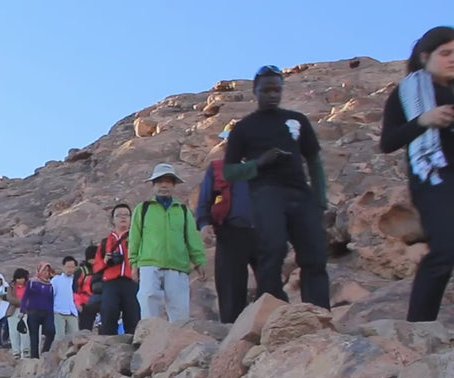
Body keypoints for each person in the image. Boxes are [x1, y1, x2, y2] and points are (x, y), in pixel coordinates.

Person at [223, 64, 331, 309]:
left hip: (300, 193)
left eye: (276, 90)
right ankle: (270, 311)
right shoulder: (243, 128)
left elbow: (314, 160)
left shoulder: (297, 120)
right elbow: (229, 171)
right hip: (265, 193)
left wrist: (320, 199)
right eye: (266, 90)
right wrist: (259, 163)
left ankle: (319, 313)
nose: (272, 95)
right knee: (272, 250)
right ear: (255, 91)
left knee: (314, 255)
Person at [380, 26, 454, 322]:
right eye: (445, 53)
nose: (452, 60)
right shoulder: (407, 92)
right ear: (426, 57)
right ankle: (419, 325)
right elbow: (388, 142)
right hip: (433, 179)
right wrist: (424, 120)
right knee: (446, 249)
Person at [197, 122, 260, 323]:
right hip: (231, 232)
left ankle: (272, 326)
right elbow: (204, 200)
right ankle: (232, 331)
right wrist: (204, 224)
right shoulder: (217, 169)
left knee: (270, 281)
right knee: (231, 286)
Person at [129, 164, 206, 322]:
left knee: (179, 311)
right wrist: (133, 263)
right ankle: (148, 341)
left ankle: (176, 345)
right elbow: (135, 237)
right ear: (153, 185)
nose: (164, 185)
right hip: (149, 264)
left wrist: (199, 261)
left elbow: (192, 237)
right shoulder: (142, 209)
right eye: (159, 181)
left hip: (177, 266)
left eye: (168, 181)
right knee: (149, 305)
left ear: (174, 185)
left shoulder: (183, 211)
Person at [94, 204, 141, 334]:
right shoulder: (105, 242)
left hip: (131, 280)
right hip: (111, 282)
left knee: (133, 316)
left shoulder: (136, 239)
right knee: (109, 313)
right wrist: (105, 262)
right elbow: (96, 266)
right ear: (113, 220)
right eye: (119, 215)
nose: (123, 218)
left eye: (126, 215)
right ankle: (107, 344)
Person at [19, 262, 56, 359]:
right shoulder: (32, 282)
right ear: (39, 271)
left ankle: (45, 352)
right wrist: (22, 310)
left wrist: (52, 314)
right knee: (34, 336)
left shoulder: (50, 285)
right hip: (33, 312)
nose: (46, 273)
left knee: (51, 331)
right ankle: (34, 358)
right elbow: (25, 297)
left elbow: (51, 300)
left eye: (47, 271)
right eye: (44, 270)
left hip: (47, 312)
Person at [74, 245, 103, 331]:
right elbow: (75, 289)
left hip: (100, 302)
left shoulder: (101, 269)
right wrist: (78, 304)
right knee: (85, 329)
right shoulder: (82, 271)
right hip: (85, 304)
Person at [51, 256, 80, 338]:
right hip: (58, 312)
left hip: (72, 312)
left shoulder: (76, 280)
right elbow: (51, 295)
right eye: (68, 267)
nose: (70, 269)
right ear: (63, 267)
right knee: (59, 337)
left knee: (75, 336)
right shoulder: (56, 280)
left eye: (72, 267)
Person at [5, 269, 30, 359]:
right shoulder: (11, 286)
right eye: (18, 278)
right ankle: (16, 352)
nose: (20, 280)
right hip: (13, 310)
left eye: (22, 278)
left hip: (26, 311)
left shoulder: (28, 286)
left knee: (25, 331)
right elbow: (9, 298)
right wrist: (21, 301)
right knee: (13, 332)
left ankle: (25, 351)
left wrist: (23, 304)